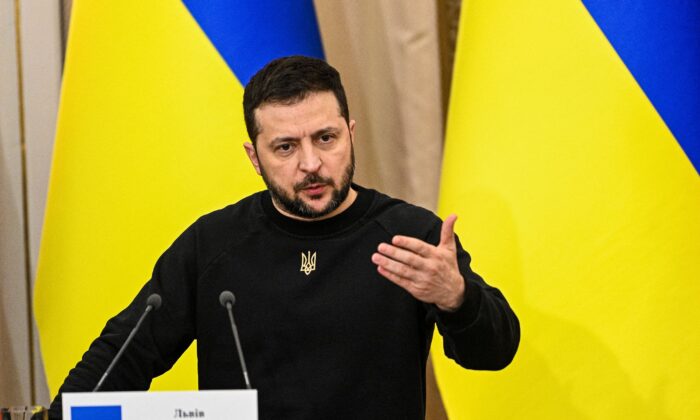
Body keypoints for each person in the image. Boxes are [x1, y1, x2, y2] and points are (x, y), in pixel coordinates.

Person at [48, 56, 519, 419]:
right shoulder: (212, 245)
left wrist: (457, 298)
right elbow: (123, 356)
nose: (310, 163)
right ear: (255, 158)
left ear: (351, 135)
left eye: (326, 139)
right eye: (286, 147)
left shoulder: (411, 236)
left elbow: (495, 354)